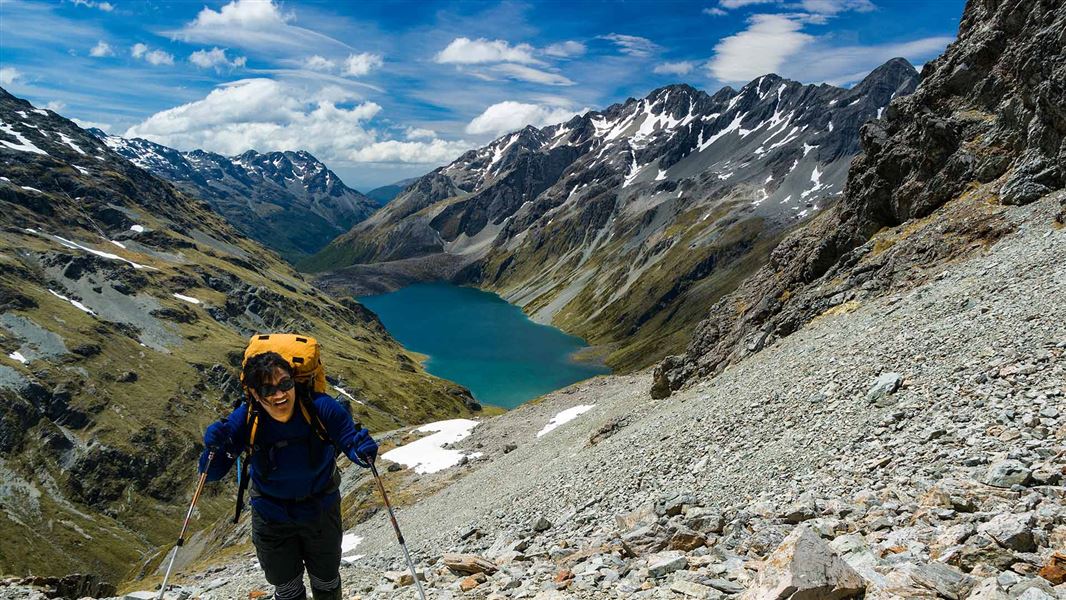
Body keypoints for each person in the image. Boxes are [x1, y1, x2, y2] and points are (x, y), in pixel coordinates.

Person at [199, 351, 379, 600]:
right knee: (287, 589)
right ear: (253, 393)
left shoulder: (321, 407)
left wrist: (363, 451)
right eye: (267, 390)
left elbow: (351, 445)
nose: (280, 394)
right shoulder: (246, 418)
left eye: (285, 384)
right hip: (272, 517)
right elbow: (211, 473)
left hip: (320, 511)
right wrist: (213, 449)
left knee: (326, 581)